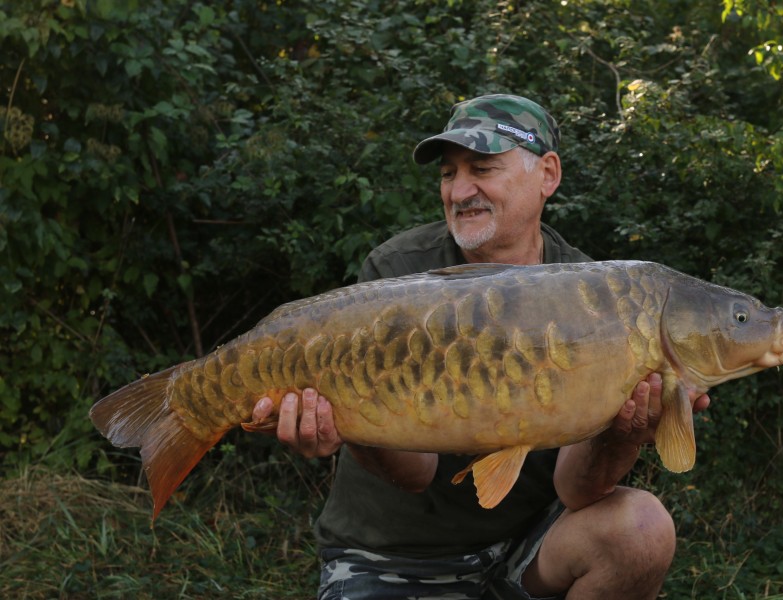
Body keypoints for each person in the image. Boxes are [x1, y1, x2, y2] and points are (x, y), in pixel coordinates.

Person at [252, 94, 710, 599]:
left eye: (483, 168)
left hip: (526, 549)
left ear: (548, 175)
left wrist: (624, 435)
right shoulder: (399, 274)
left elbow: (576, 490)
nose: (460, 190)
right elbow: (414, 475)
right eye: (449, 174)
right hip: (392, 555)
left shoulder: (601, 295)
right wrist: (350, 421)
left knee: (640, 528)